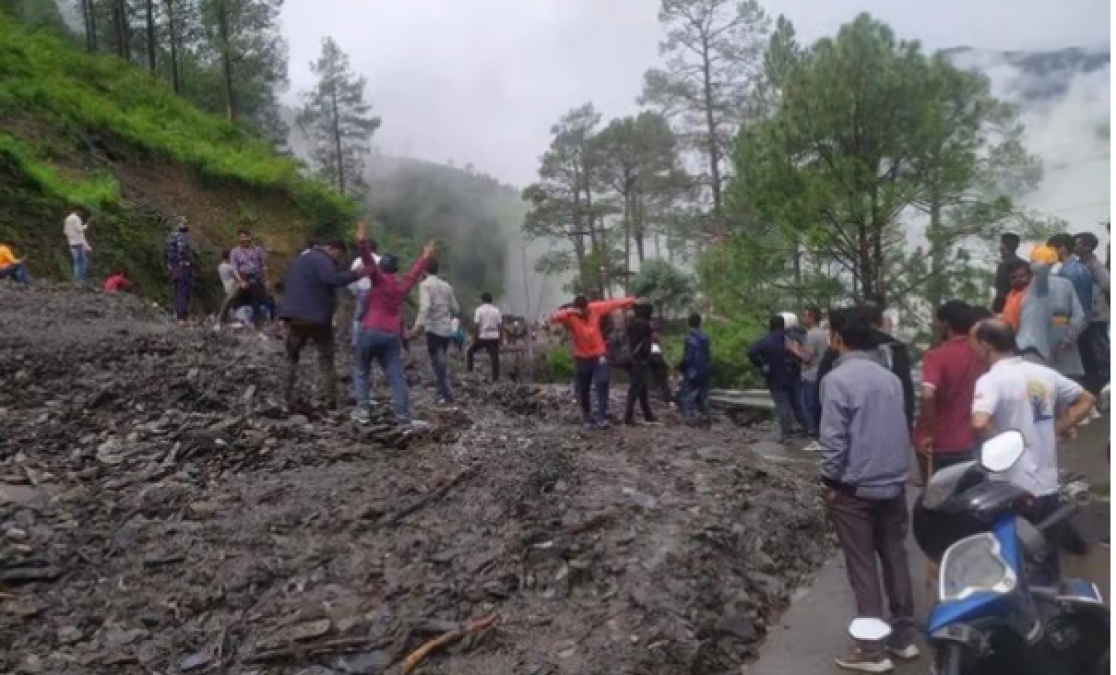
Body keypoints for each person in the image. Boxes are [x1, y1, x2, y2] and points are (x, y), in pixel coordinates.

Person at [818, 306, 918, 672]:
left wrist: (829, 481)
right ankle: (905, 638)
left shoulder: (837, 380)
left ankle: (870, 649)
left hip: (855, 487)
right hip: (892, 482)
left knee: (862, 567)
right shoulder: (887, 377)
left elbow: (833, 440)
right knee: (895, 557)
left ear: (837, 338)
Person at [969, 318, 1096, 581]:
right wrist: (1060, 427)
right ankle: (1053, 617)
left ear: (985, 345)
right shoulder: (1043, 373)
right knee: (1047, 561)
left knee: (1012, 562)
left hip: (1009, 487)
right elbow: (1087, 399)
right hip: (1046, 484)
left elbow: (979, 422)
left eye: (973, 343)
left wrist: (1006, 445)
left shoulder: (991, 381)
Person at [352, 221, 435, 427]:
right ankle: (403, 416)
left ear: (381, 268)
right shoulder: (401, 286)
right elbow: (414, 274)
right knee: (395, 375)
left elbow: (367, 258)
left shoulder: (377, 279)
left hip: (370, 329)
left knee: (362, 369)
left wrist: (361, 241)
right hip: (391, 334)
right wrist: (425, 258)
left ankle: (363, 410)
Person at [278, 237, 365, 411]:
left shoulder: (299, 260)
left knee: (291, 358)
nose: (337, 260)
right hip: (318, 319)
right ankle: (330, 400)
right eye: (338, 255)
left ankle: (285, 398)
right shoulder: (323, 260)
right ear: (333, 248)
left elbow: (292, 287)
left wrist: (285, 315)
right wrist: (356, 274)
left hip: (295, 318)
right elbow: (330, 279)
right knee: (326, 358)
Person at [912, 301, 984, 483]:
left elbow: (928, 394)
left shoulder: (936, 356)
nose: (934, 326)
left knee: (937, 501)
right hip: (974, 442)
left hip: (942, 444)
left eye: (936, 321)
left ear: (946, 324)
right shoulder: (981, 354)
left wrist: (928, 431)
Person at [550, 294, 637, 429]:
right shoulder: (570, 316)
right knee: (584, 389)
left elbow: (612, 304)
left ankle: (602, 417)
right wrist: (571, 311)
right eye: (581, 310)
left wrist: (630, 300)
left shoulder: (594, 309)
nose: (584, 313)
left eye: (585, 310)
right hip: (582, 357)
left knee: (602, 382)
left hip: (599, 354)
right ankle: (586, 416)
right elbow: (554, 317)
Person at [747, 314, 803, 442]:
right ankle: (807, 429)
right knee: (796, 404)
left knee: (782, 405)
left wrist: (761, 365)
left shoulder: (766, 341)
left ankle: (786, 434)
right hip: (792, 376)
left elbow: (751, 352)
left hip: (774, 377)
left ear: (771, 326)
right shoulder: (788, 340)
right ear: (783, 326)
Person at [411, 258, 460, 405]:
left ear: (424, 270)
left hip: (433, 329)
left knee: (438, 364)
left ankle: (447, 395)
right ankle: (441, 393)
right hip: (446, 330)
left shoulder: (425, 285)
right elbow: (456, 308)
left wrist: (418, 326)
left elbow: (425, 307)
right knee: (441, 361)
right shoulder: (447, 286)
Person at [1073, 231, 1110, 402]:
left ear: (1087, 247)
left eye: (1078, 243)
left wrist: (1097, 303)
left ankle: (1104, 384)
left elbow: (1108, 285)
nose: (1075, 246)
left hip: (1097, 316)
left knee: (1100, 352)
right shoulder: (1080, 265)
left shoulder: (1095, 265)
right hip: (1086, 316)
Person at [348, 241, 381, 402]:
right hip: (376, 297)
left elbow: (351, 280)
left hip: (361, 294)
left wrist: (356, 293)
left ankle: (357, 340)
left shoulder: (357, 261)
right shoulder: (380, 260)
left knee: (358, 319)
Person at [220, 229, 269, 329]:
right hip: (242, 276)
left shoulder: (258, 250)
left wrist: (266, 279)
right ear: (239, 239)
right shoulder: (235, 251)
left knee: (261, 298)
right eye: (241, 237)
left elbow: (263, 266)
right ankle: (221, 319)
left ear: (250, 238)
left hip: (255, 276)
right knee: (231, 297)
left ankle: (257, 322)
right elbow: (234, 268)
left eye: (246, 237)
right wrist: (241, 281)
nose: (244, 239)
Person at [796, 307, 829, 438]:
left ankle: (814, 432)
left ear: (812, 318)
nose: (803, 319)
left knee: (807, 405)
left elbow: (807, 358)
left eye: (805, 316)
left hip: (810, 375)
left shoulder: (811, 334)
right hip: (819, 372)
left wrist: (794, 349)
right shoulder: (822, 333)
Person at [623, 302, 657, 426]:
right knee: (636, 388)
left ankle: (647, 414)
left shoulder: (632, 324)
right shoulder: (644, 325)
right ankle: (628, 416)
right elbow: (650, 340)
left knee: (642, 389)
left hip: (634, 360)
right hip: (640, 360)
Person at [677, 312, 712, 426]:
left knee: (687, 395)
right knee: (703, 395)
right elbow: (708, 355)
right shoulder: (705, 337)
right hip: (704, 370)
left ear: (689, 323)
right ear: (699, 323)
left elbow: (689, 357)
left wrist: (681, 366)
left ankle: (689, 417)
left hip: (692, 371)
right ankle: (705, 416)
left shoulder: (689, 338)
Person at [164, 217, 193, 326]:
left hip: (175, 267)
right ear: (178, 224)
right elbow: (182, 250)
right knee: (183, 291)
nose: (186, 226)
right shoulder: (180, 236)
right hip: (182, 267)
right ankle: (182, 318)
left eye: (186, 223)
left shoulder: (171, 237)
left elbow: (167, 253)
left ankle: (179, 316)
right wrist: (186, 262)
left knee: (178, 291)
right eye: (184, 224)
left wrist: (170, 264)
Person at [468, 292, 503, 381]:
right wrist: (500, 338)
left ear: (482, 300)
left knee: (470, 352)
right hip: (494, 336)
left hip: (483, 336)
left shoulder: (479, 310)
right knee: (494, 357)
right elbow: (500, 326)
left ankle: (470, 372)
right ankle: (496, 378)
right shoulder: (496, 310)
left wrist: (475, 337)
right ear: (491, 300)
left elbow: (477, 325)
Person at [992, 231, 1022, 313]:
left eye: (1001, 244)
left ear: (1004, 246)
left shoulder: (1004, 265)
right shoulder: (1025, 264)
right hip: (1022, 306)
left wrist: (996, 310)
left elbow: (1001, 291)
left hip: (1006, 309)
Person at [63, 206, 92, 283]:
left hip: (71, 243)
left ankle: (77, 279)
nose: (81, 213)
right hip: (78, 243)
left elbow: (65, 232)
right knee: (82, 262)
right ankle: (81, 279)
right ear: (77, 211)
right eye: (81, 211)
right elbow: (79, 230)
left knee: (76, 262)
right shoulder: (76, 218)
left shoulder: (67, 219)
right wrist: (86, 226)